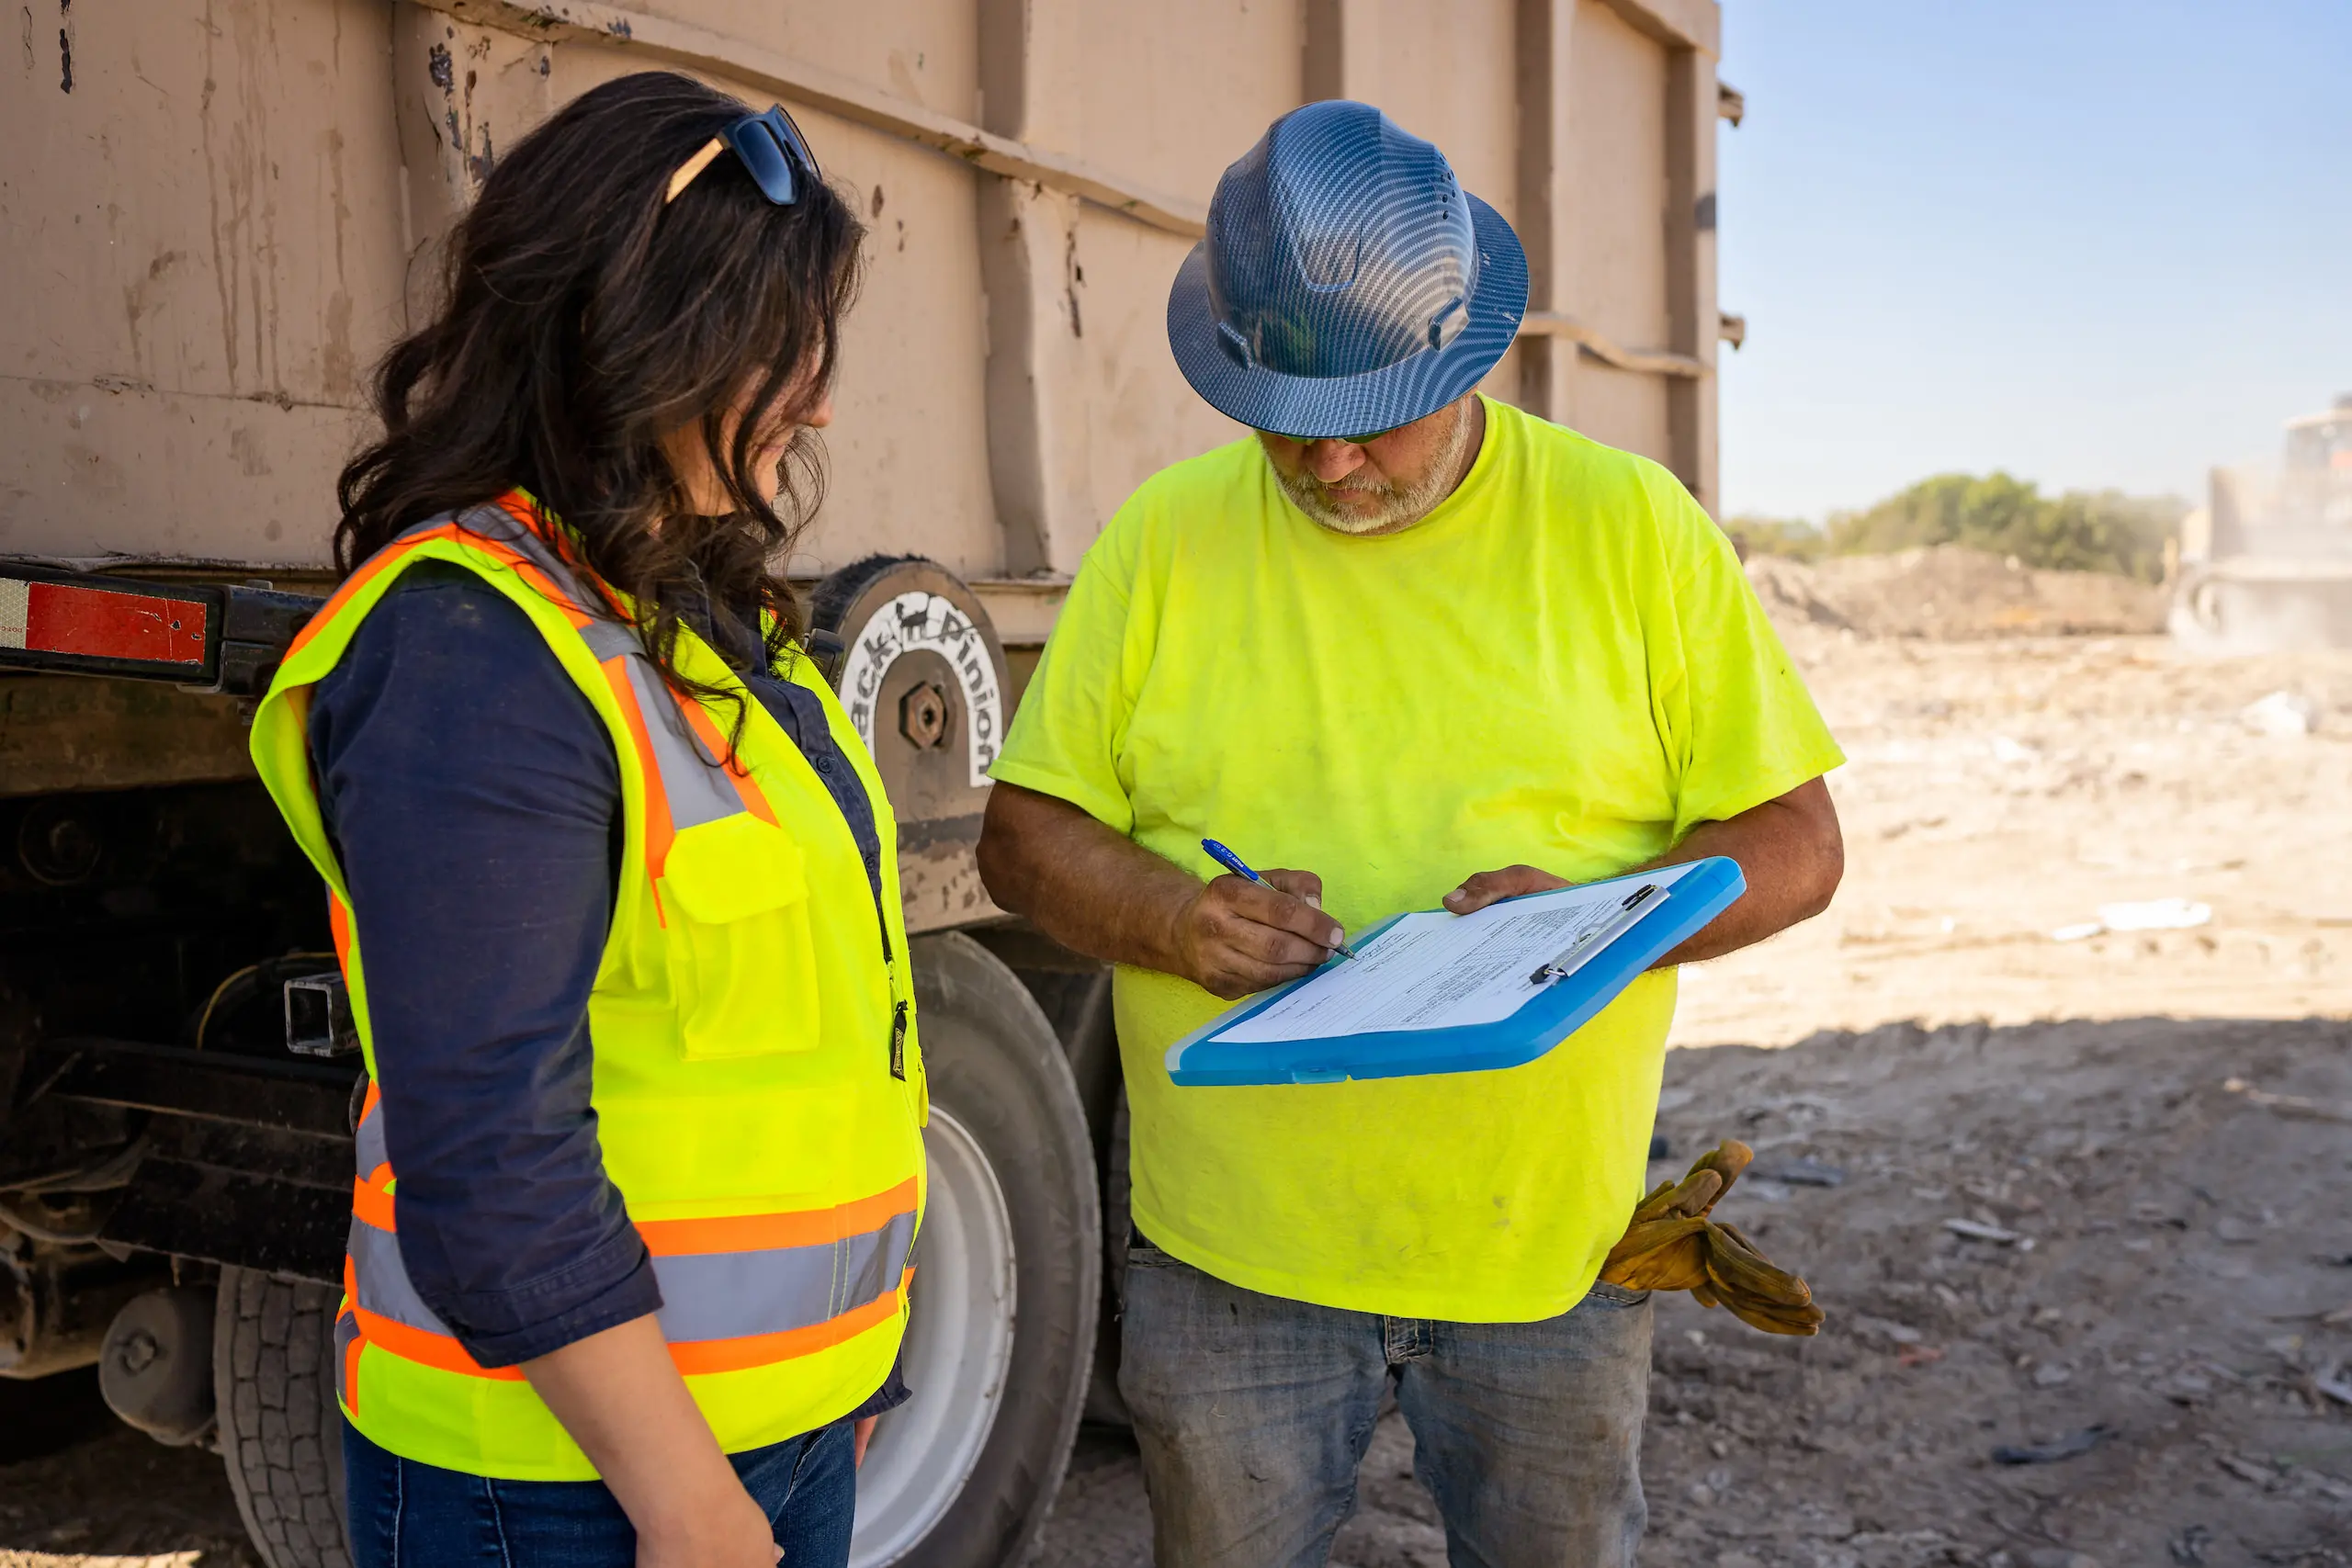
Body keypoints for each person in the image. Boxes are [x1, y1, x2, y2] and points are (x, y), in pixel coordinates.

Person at [977, 101, 1846, 1566]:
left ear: (1464, 353)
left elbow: (1801, 841)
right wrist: (1177, 919)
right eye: (1284, 426)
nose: (1324, 471)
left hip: (1546, 1258)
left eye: (1367, 421)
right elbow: (1024, 837)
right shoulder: (1163, 540)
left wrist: (1600, 919)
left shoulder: (1629, 529)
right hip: (1229, 1262)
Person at [246, 73, 924, 1568]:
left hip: (768, 1438)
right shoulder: (473, 652)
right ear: (651, 340)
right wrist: (688, 1501)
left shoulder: (692, 609)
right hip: (567, 1494)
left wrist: (837, 1378)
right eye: (782, 349)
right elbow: (494, 1152)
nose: (818, 399)